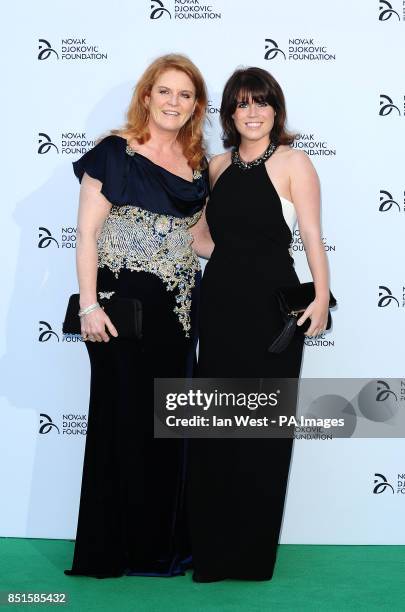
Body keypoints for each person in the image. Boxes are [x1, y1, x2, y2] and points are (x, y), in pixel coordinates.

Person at [64, 54, 209, 578]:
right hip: (120, 310)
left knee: (166, 428)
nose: (174, 102)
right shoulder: (114, 152)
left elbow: (198, 240)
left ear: (196, 106)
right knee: (119, 423)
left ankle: (158, 548)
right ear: (146, 96)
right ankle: (111, 550)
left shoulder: (196, 165)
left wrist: (259, 228)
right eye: (165, 91)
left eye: (185, 95)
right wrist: (88, 303)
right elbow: (86, 234)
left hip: (177, 316)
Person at [187, 67, 330, 582]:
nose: (251, 112)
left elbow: (312, 234)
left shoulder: (295, 162)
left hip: (273, 310)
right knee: (217, 425)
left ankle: (249, 556)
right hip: (221, 303)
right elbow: (202, 236)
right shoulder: (217, 165)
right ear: (229, 114)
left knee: (263, 428)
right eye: (241, 104)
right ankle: (211, 549)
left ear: (275, 110)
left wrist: (319, 298)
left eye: (260, 102)